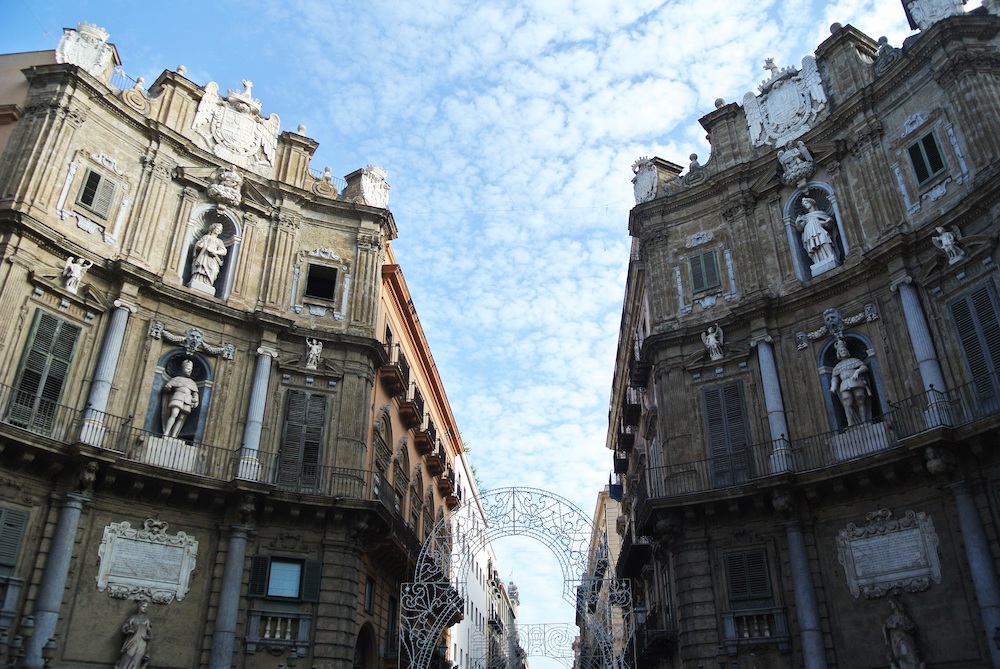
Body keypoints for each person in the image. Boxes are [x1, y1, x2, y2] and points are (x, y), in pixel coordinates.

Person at [829, 338, 871, 427]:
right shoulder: (837, 366)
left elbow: (864, 367)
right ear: (838, 353)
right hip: (844, 385)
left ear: (847, 351)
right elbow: (834, 378)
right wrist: (833, 387)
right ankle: (850, 424)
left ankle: (864, 422)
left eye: (844, 350)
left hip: (856, 382)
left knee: (860, 401)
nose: (843, 352)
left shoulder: (854, 360)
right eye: (841, 351)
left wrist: (857, 372)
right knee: (847, 403)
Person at [795, 197, 837, 267]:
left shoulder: (820, 213)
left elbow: (829, 226)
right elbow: (800, 229)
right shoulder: (805, 217)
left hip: (819, 230)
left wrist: (827, 222)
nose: (806, 205)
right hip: (809, 233)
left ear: (811, 203)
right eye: (804, 204)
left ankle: (830, 256)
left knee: (824, 240)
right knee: (813, 246)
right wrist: (797, 223)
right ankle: (818, 261)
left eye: (806, 203)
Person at [883, 598, 924, 669]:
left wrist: (904, 626)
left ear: (896, 604)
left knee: (910, 655)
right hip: (897, 640)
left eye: (891, 603)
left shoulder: (903, 616)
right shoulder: (891, 618)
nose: (891, 605)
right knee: (901, 657)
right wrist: (893, 626)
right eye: (890, 604)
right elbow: (886, 625)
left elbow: (911, 626)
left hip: (906, 639)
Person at [162, 359, 199, 438]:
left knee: (181, 418)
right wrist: (167, 388)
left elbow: (195, 394)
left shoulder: (192, 382)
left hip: (187, 400)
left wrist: (196, 400)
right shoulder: (176, 379)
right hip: (178, 396)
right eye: (188, 369)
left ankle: (174, 435)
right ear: (183, 369)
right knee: (174, 413)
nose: (189, 371)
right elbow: (167, 388)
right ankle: (166, 432)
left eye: (191, 370)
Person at [189, 223, 227, 289]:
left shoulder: (219, 241)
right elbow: (198, 245)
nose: (218, 231)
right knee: (201, 268)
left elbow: (223, 251)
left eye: (220, 230)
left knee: (213, 270)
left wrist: (215, 251)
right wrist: (203, 246)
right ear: (213, 229)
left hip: (213, 259)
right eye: (217, 229)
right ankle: (198, 280)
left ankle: (208, 283)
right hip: (204, 256)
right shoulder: (206, 237)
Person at [117, 600, 152, 669]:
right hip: (133, 640)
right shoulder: (133, 617)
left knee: (137, 659)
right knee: (128, 655)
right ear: (139, 607)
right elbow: (124, 628)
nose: (145, 608)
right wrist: (129, 630)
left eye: (146, 607)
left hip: (142, 641)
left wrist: (149, 636)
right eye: (143, 607)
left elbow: (149, 631)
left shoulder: (146, 619)